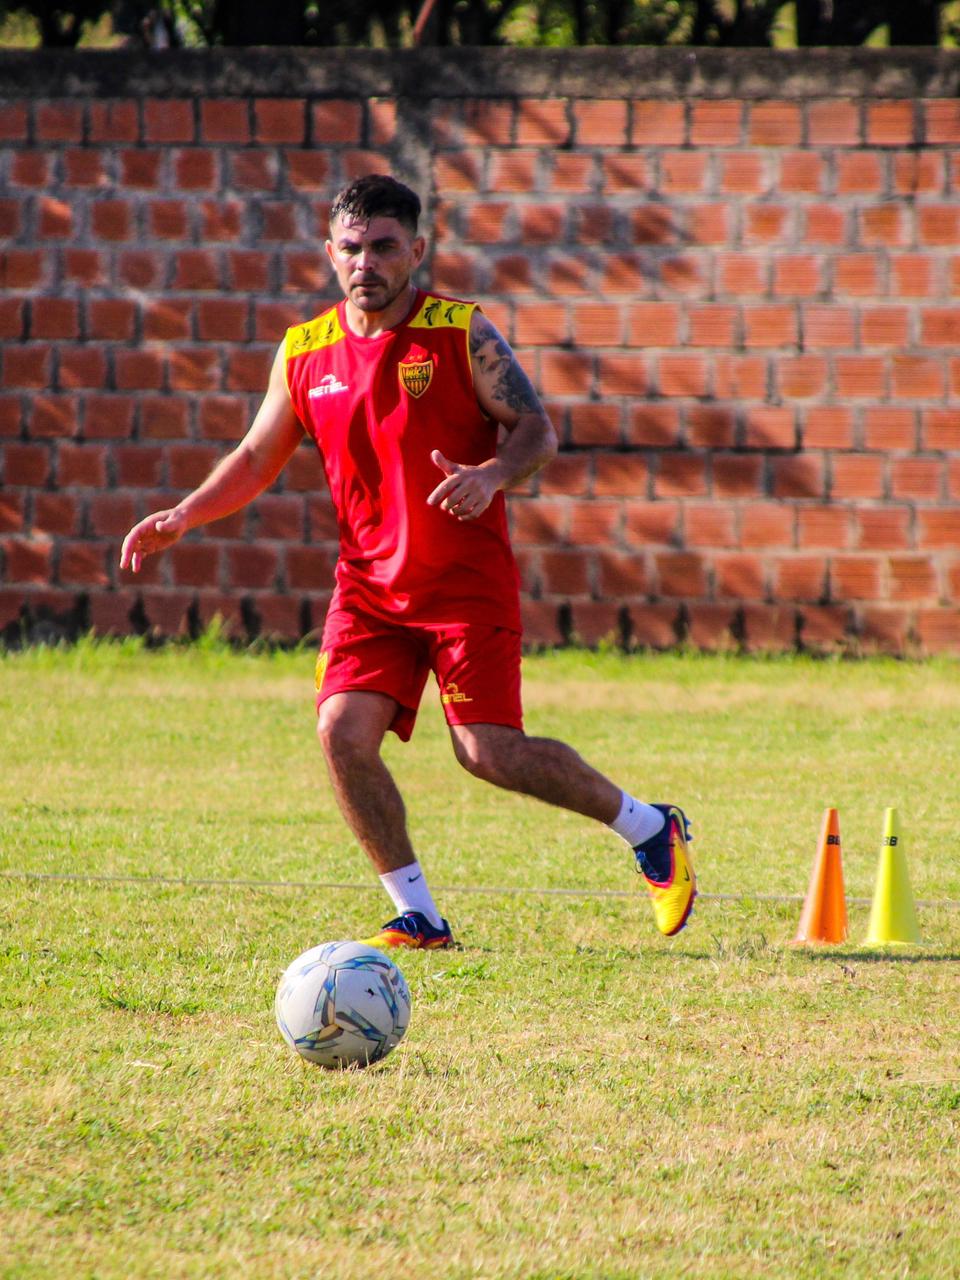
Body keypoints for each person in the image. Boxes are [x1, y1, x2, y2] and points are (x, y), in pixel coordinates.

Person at [119, 174, 696, 947]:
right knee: (339, 734)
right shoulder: (305, 350)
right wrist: (186, 515)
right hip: (367, 589)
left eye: (385, 246)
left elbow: (535, 430)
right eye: (352, 248)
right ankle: (419, 915)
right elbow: (257, 455)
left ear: (416, 250)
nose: (368, 263)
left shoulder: (461, 332)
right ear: (329, 254)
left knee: (488, 753)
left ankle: (649, 828)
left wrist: (492, 476)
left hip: (463, 585)